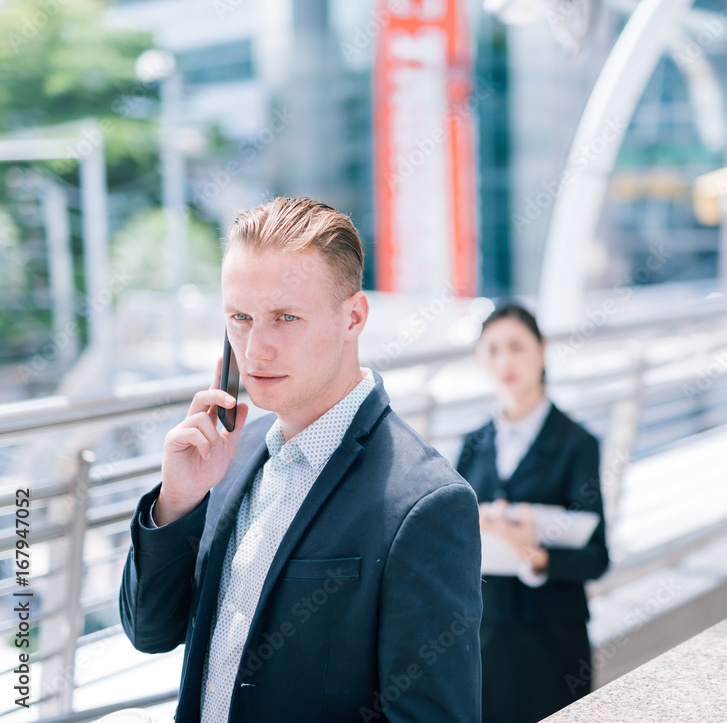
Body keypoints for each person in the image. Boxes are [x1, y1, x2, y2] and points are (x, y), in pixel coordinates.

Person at [119, 197, 482, 723]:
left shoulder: (424, 504)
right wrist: (176, 504)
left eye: (285, 318)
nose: (256, 348)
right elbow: (150, 633)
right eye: (240, 318)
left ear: (353, 316)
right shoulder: (227, 455)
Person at [455, 303, 609, 723]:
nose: (504, 361)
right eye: (492, 349)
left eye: (516, 347)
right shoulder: (471, 444)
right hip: (485, 637)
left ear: (542, 352)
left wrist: (534, 552)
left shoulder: (578, 443)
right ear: (478, 359)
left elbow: (597, 557)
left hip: (553, 640)